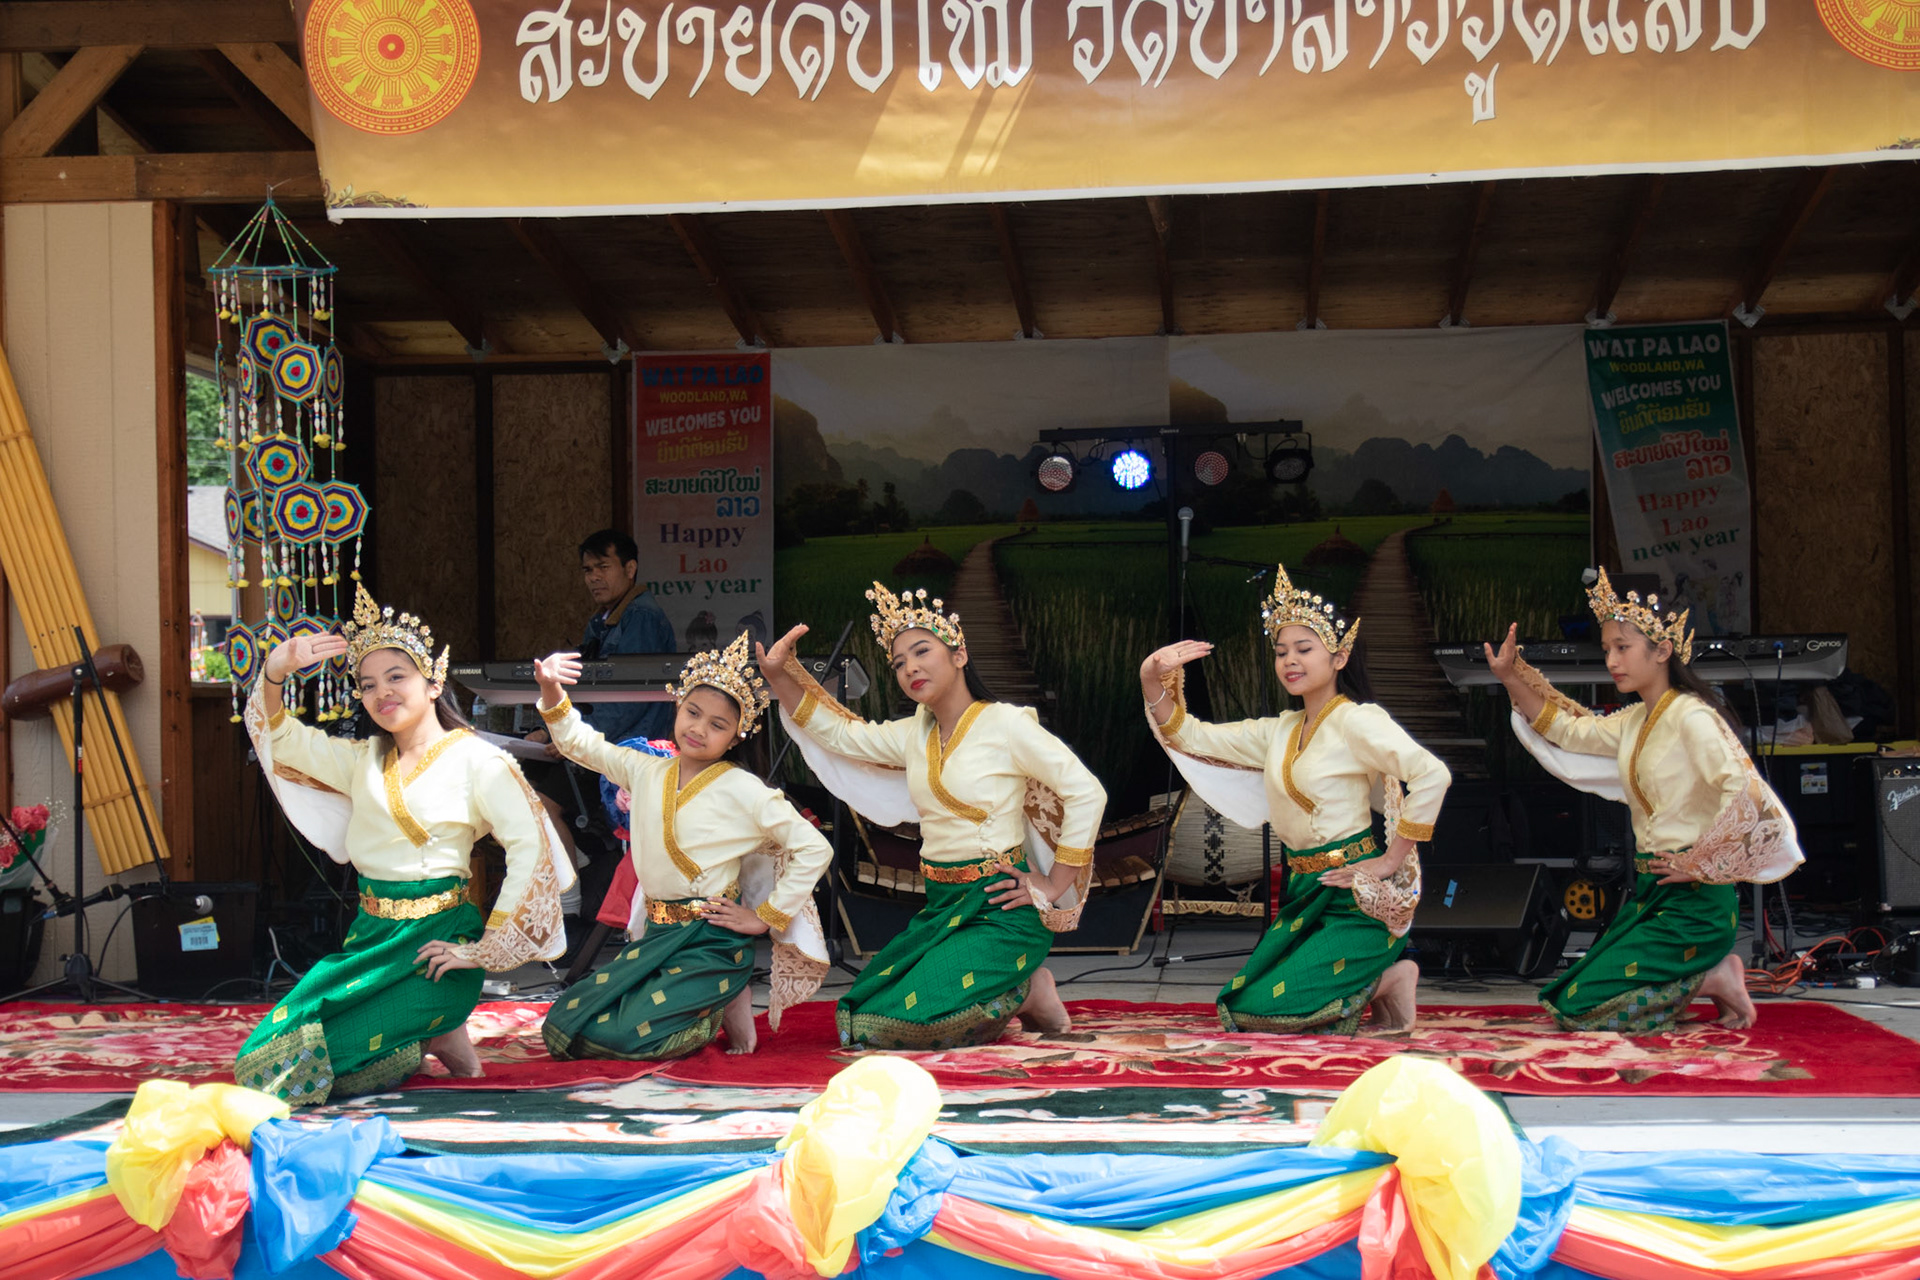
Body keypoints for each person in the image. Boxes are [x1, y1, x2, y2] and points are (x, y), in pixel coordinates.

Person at [235, 586, 574, 1104]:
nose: (382, 693)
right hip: (370, 941)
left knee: (311, 1078)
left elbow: (532, 849)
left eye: (397, 677)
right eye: (368, 685)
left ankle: (438, 1025)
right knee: (260, 1067)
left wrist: (481, 949)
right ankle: (437, 1034)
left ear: (433, 682)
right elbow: (275, 737)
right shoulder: (361, 759)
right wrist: (277, 670)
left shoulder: (479, 761)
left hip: (438, 948)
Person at [757, 582, 1107, 1049]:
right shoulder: (914, 733)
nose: (910, 668)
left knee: (899, 1028)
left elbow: (1086, 791)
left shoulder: (1005, 723)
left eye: (922, 652)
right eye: (898, 663)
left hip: (1001, 908)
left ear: (959, 655)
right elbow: (841, 736)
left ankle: (1029, 991)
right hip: (943, 907)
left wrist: (1054, 883)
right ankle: (1025, 987)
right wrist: (779, 676)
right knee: (858, 1017)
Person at [1486, 568, 1801, 1034]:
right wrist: (1510, 676)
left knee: (1580, 1008)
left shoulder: (1692, 717)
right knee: (1566, 995)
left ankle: (1711, 977)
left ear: (1663, 650)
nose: (1612, 660)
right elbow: (1568, 731)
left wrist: (1702, 861)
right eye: (1607, 649)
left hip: (1697, 904)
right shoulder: (1635, 720)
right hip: (1654, 893)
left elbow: (1746, 792)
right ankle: (1709, 975)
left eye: (1622, 647)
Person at [1141, 566, 1449, 1035]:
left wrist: (1389, 861)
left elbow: (1433, 774)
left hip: (1354, 895)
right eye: (1282, 651)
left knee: (1275, 1013)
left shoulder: (1357, 721)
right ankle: (1380, 982)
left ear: (1340, 657)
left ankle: (1392, 977)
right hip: (1304, 891)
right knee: (1241, 1006)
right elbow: (1192, 736)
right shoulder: (1280, 730)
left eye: (1304, 649)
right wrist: (1151, 677)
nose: (1290, 661)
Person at [535, 633, 832, 1059]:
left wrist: (764, 917)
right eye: (693, 712)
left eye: (717, 725)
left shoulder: (743, 788)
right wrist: (550, 688)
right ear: (678, 707)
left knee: (619, 1038)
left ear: (735, 738)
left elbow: (814, 847)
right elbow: (579, 745)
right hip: (658, 936)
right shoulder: (644, 769)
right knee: (563, 1025)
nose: (698, 729)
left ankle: (712, 1011)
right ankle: (716, 1003)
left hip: (710, 941)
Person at [523, 529, 677, 941]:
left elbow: (626, 702)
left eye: (603, 567)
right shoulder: (605, 620)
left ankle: (570, 910)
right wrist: (547, 728)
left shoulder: (641, 618)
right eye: (587, 569)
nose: (593, 577)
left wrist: (571, 739)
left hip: (629, 753)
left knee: (541, 802)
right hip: (598, 745)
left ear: (630, 568)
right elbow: (585, 694)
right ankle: (577, 861)